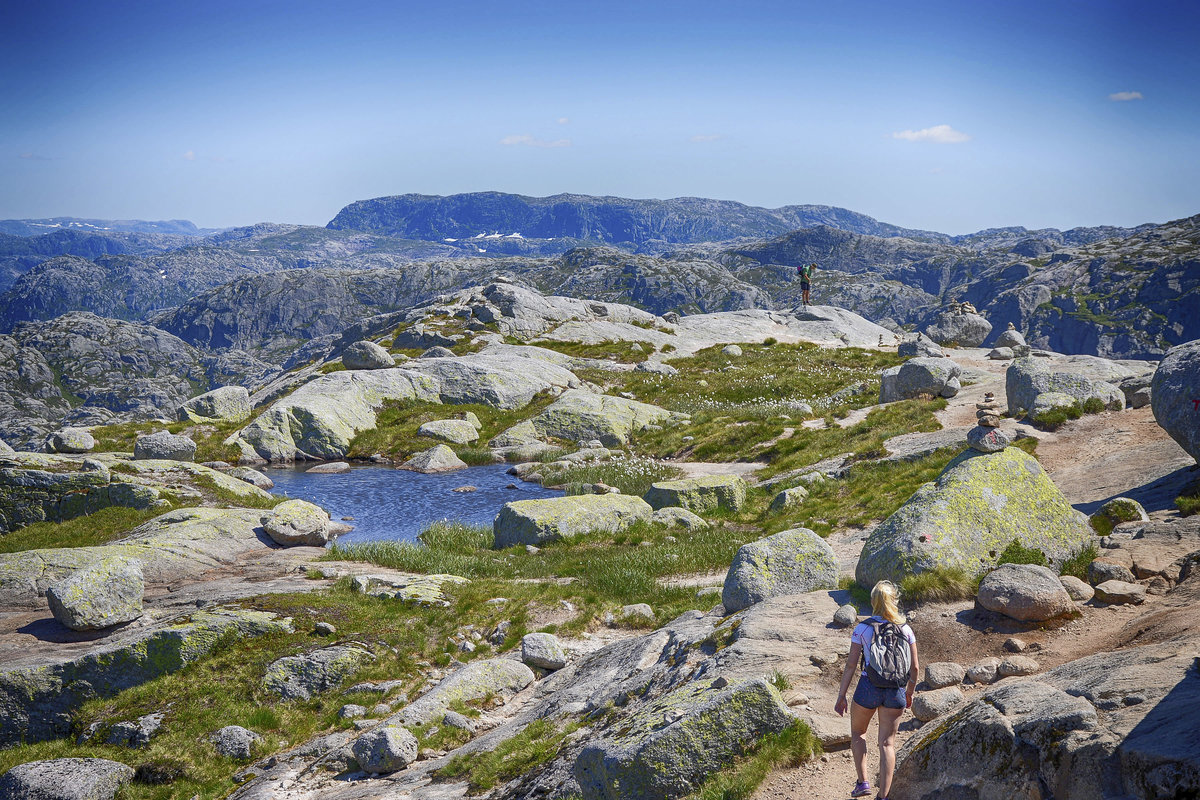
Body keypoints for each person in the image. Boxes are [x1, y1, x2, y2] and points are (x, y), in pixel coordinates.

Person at [834, 580, 919, 800]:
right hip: (896, 690)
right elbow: (915, 668)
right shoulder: (906, 629)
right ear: (894, 601)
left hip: (868, 687)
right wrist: (909, 693)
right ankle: (883, 796)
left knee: (858, 732)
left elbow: (851, 665)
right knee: (887, 742)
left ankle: (862, 783)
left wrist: (842, 695)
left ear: (873, 601)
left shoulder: (862, 628)